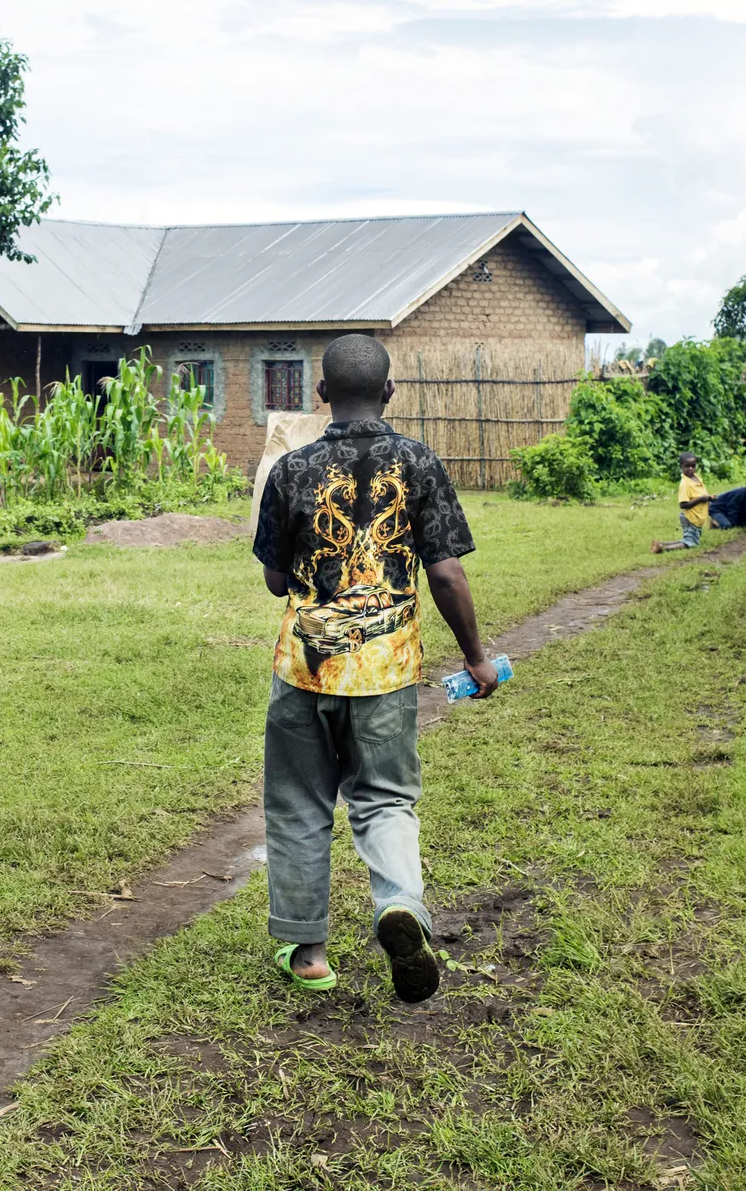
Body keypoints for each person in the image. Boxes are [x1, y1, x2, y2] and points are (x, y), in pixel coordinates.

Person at [252, 333, 498, 1005]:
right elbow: (445, 573)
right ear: (389, 391)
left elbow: (277, 580)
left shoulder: (291, 469)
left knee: (300, 804)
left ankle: (307, 953)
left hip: (305, 667)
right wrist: (476, 656)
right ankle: (401, 909)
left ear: (322, 393)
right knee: (385, 800)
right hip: (386, 672)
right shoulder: (418, 462)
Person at [651, 453, 714, 554]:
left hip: (696, 516)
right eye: (687, 466)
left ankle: (661, 544)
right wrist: (701, 499)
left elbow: (701, 493)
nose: (690, 469)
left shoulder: (696, 478)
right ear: (681, 467)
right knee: (691, 542)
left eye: (693, 466)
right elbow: (683, 504)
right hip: (690, 517)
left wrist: (708, 498)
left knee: (689, 539)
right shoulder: (685, 484)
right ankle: (664, 549)